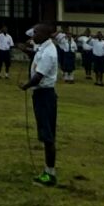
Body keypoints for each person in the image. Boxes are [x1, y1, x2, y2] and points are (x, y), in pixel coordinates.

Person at [20, 22, 59, 187]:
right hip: (42, 94)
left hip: (44, 95)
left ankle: (50, 174)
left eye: (35, 33)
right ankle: (47, 170)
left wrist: (25, 86)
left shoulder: (49, 53)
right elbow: (35, 54)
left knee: (47, 135)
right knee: (45, 134)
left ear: (44, 34)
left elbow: (39, 76)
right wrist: (26, 51)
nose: (33, 36)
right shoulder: (43, 48)